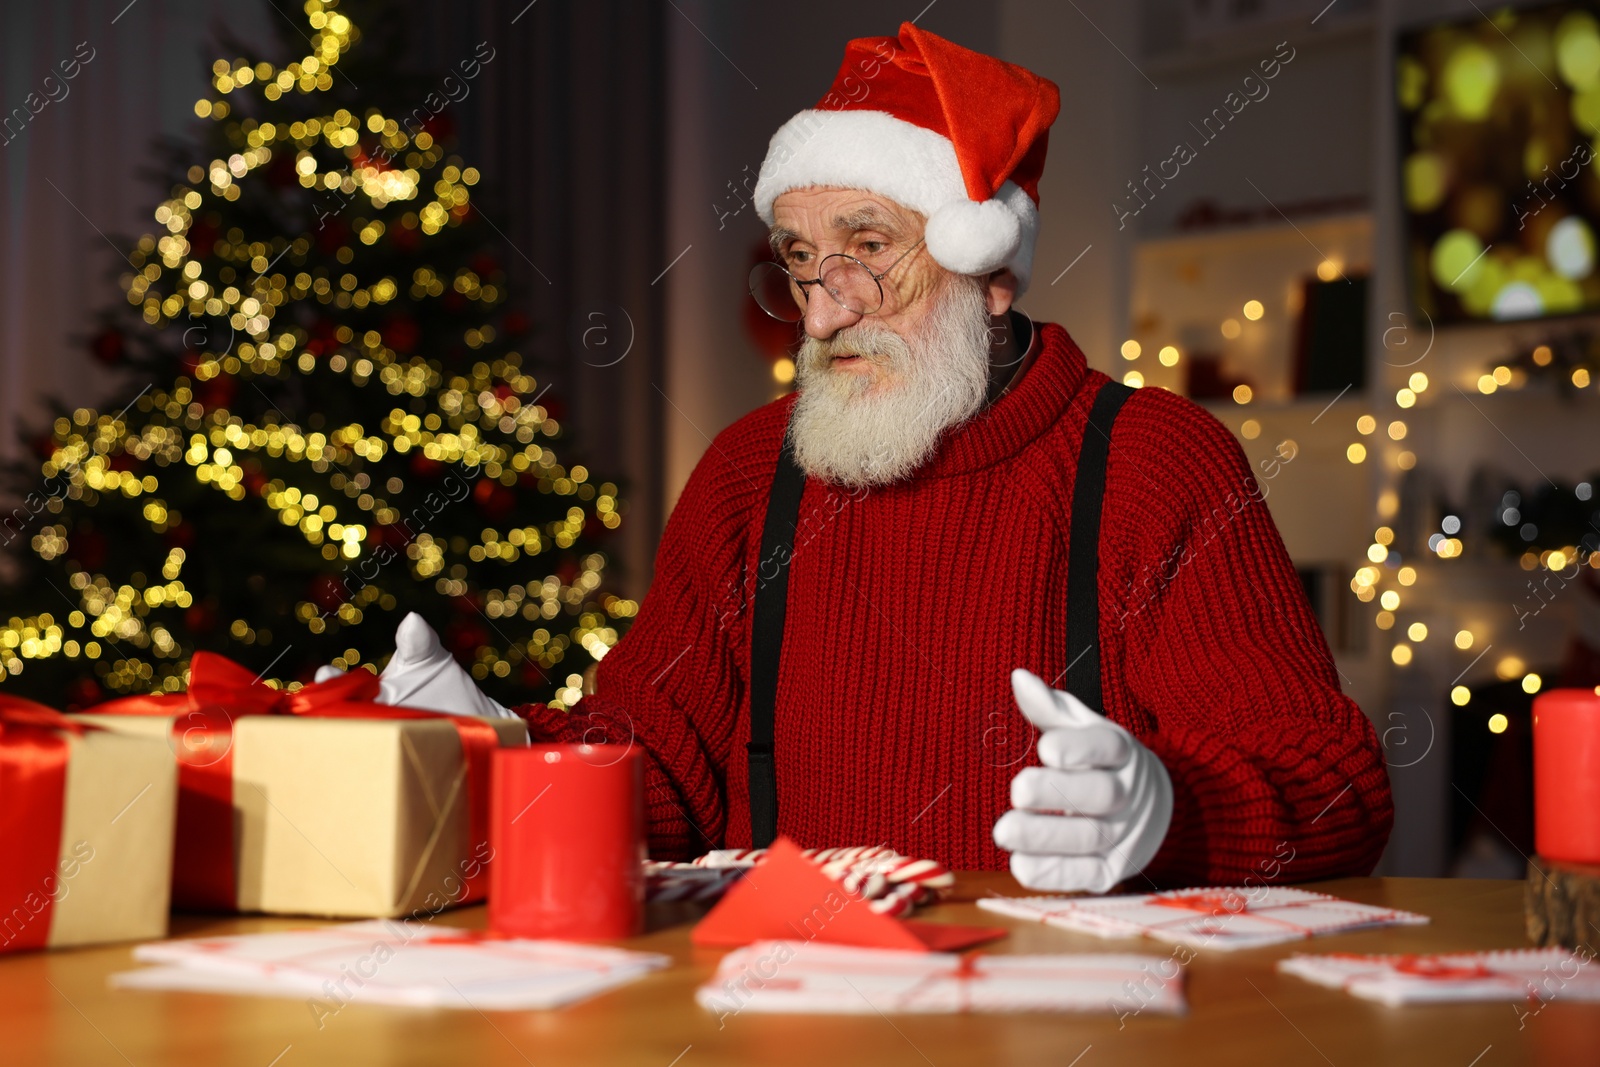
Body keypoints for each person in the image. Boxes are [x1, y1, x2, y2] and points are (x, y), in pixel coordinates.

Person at [375, 23, 1393, 893]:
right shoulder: (745, 476)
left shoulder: (1157, 464)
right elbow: (661, 773)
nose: (823, 307)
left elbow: (1339, 786)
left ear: (990, 272)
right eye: (800, 257)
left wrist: (1176, 809)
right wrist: (501, 753)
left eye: (869, 245)